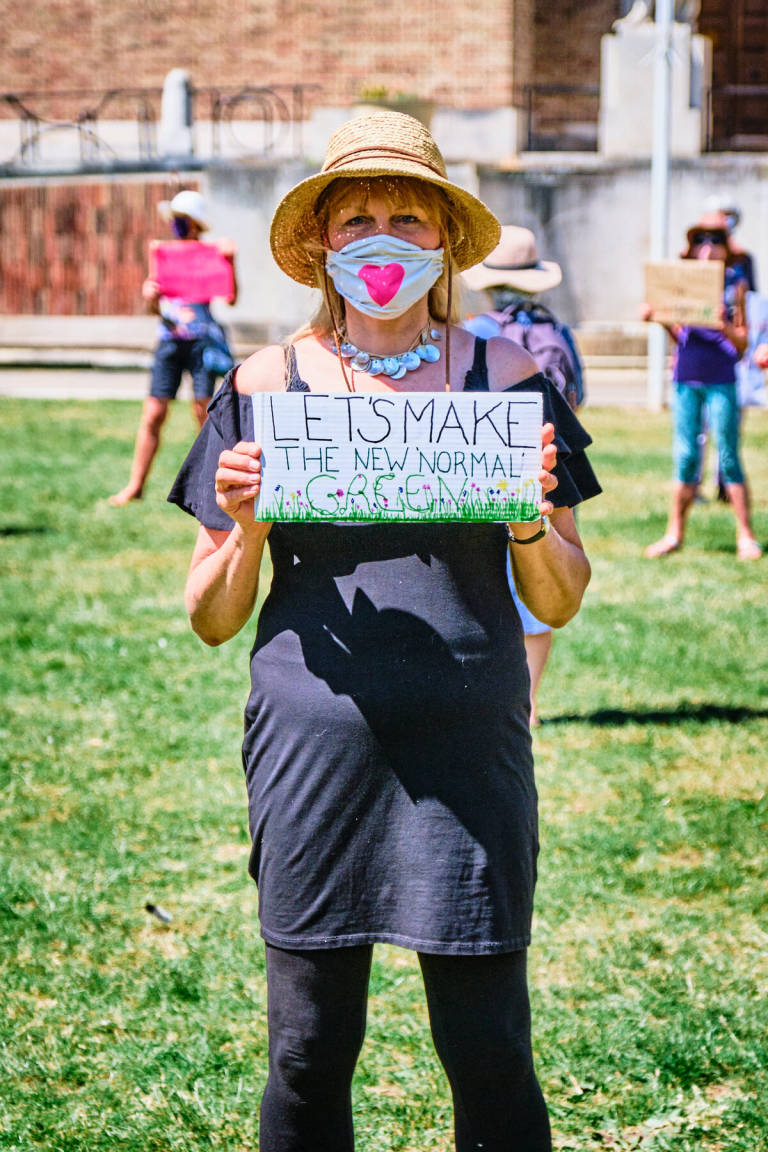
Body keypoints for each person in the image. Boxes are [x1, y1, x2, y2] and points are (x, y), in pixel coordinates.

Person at [168, 110, 600, 1152]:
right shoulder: (266, 386)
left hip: (469, 751)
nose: (381, 235)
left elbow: (561, 597)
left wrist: (525, 519)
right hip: (315, 754)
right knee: (308, 1049)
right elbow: (211, 620)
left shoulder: (508, 382)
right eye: (355, 215)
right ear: (319, 238)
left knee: (490, 1046)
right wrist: (246, 526)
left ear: (446, 238)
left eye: (406, 214)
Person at [463, 225, 585, 725]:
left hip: (491, 467)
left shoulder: (478, 333)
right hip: (548, 465)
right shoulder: (559, 331)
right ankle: (531, 701)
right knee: (538, 577)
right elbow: (575, 396)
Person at [643, 212, 762, 560]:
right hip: (686, 379)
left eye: (715, 240)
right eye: (700, 240)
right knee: (685, 455)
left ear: (727, 247)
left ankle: (745, 535)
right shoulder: (682, 281)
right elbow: (681, 336)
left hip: (721, 378)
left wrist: (721, 324)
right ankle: (674, 533)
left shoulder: (734, 285)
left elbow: (742, 344)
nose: (707, 248)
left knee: (728, 456)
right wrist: (659, 318)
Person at [109, 189, 238, 506]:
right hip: (169, 342)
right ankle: (135, 486)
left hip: (201, 344)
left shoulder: (210, 255)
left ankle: (212, 486)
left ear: (194, 223)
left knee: (203, 414)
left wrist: (230, 265)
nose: (176, 225)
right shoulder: (165, 256)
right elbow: (156, 309)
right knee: (153, 414)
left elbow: (231, 296)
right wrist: (150, 299)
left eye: (181, 219)